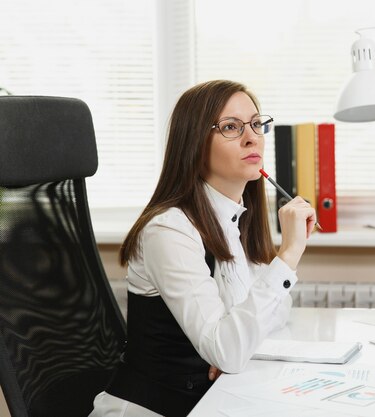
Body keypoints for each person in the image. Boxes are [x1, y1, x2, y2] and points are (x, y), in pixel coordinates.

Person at [89, 80, 316, 417]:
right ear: (194, 143)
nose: (252, 137)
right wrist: (289, 254)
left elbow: (275, 316)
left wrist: (230, 349)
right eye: (230, 127)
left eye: (256, 124)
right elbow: (229, 347)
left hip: (205, 403)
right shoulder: (169, 230)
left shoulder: (235, 220)